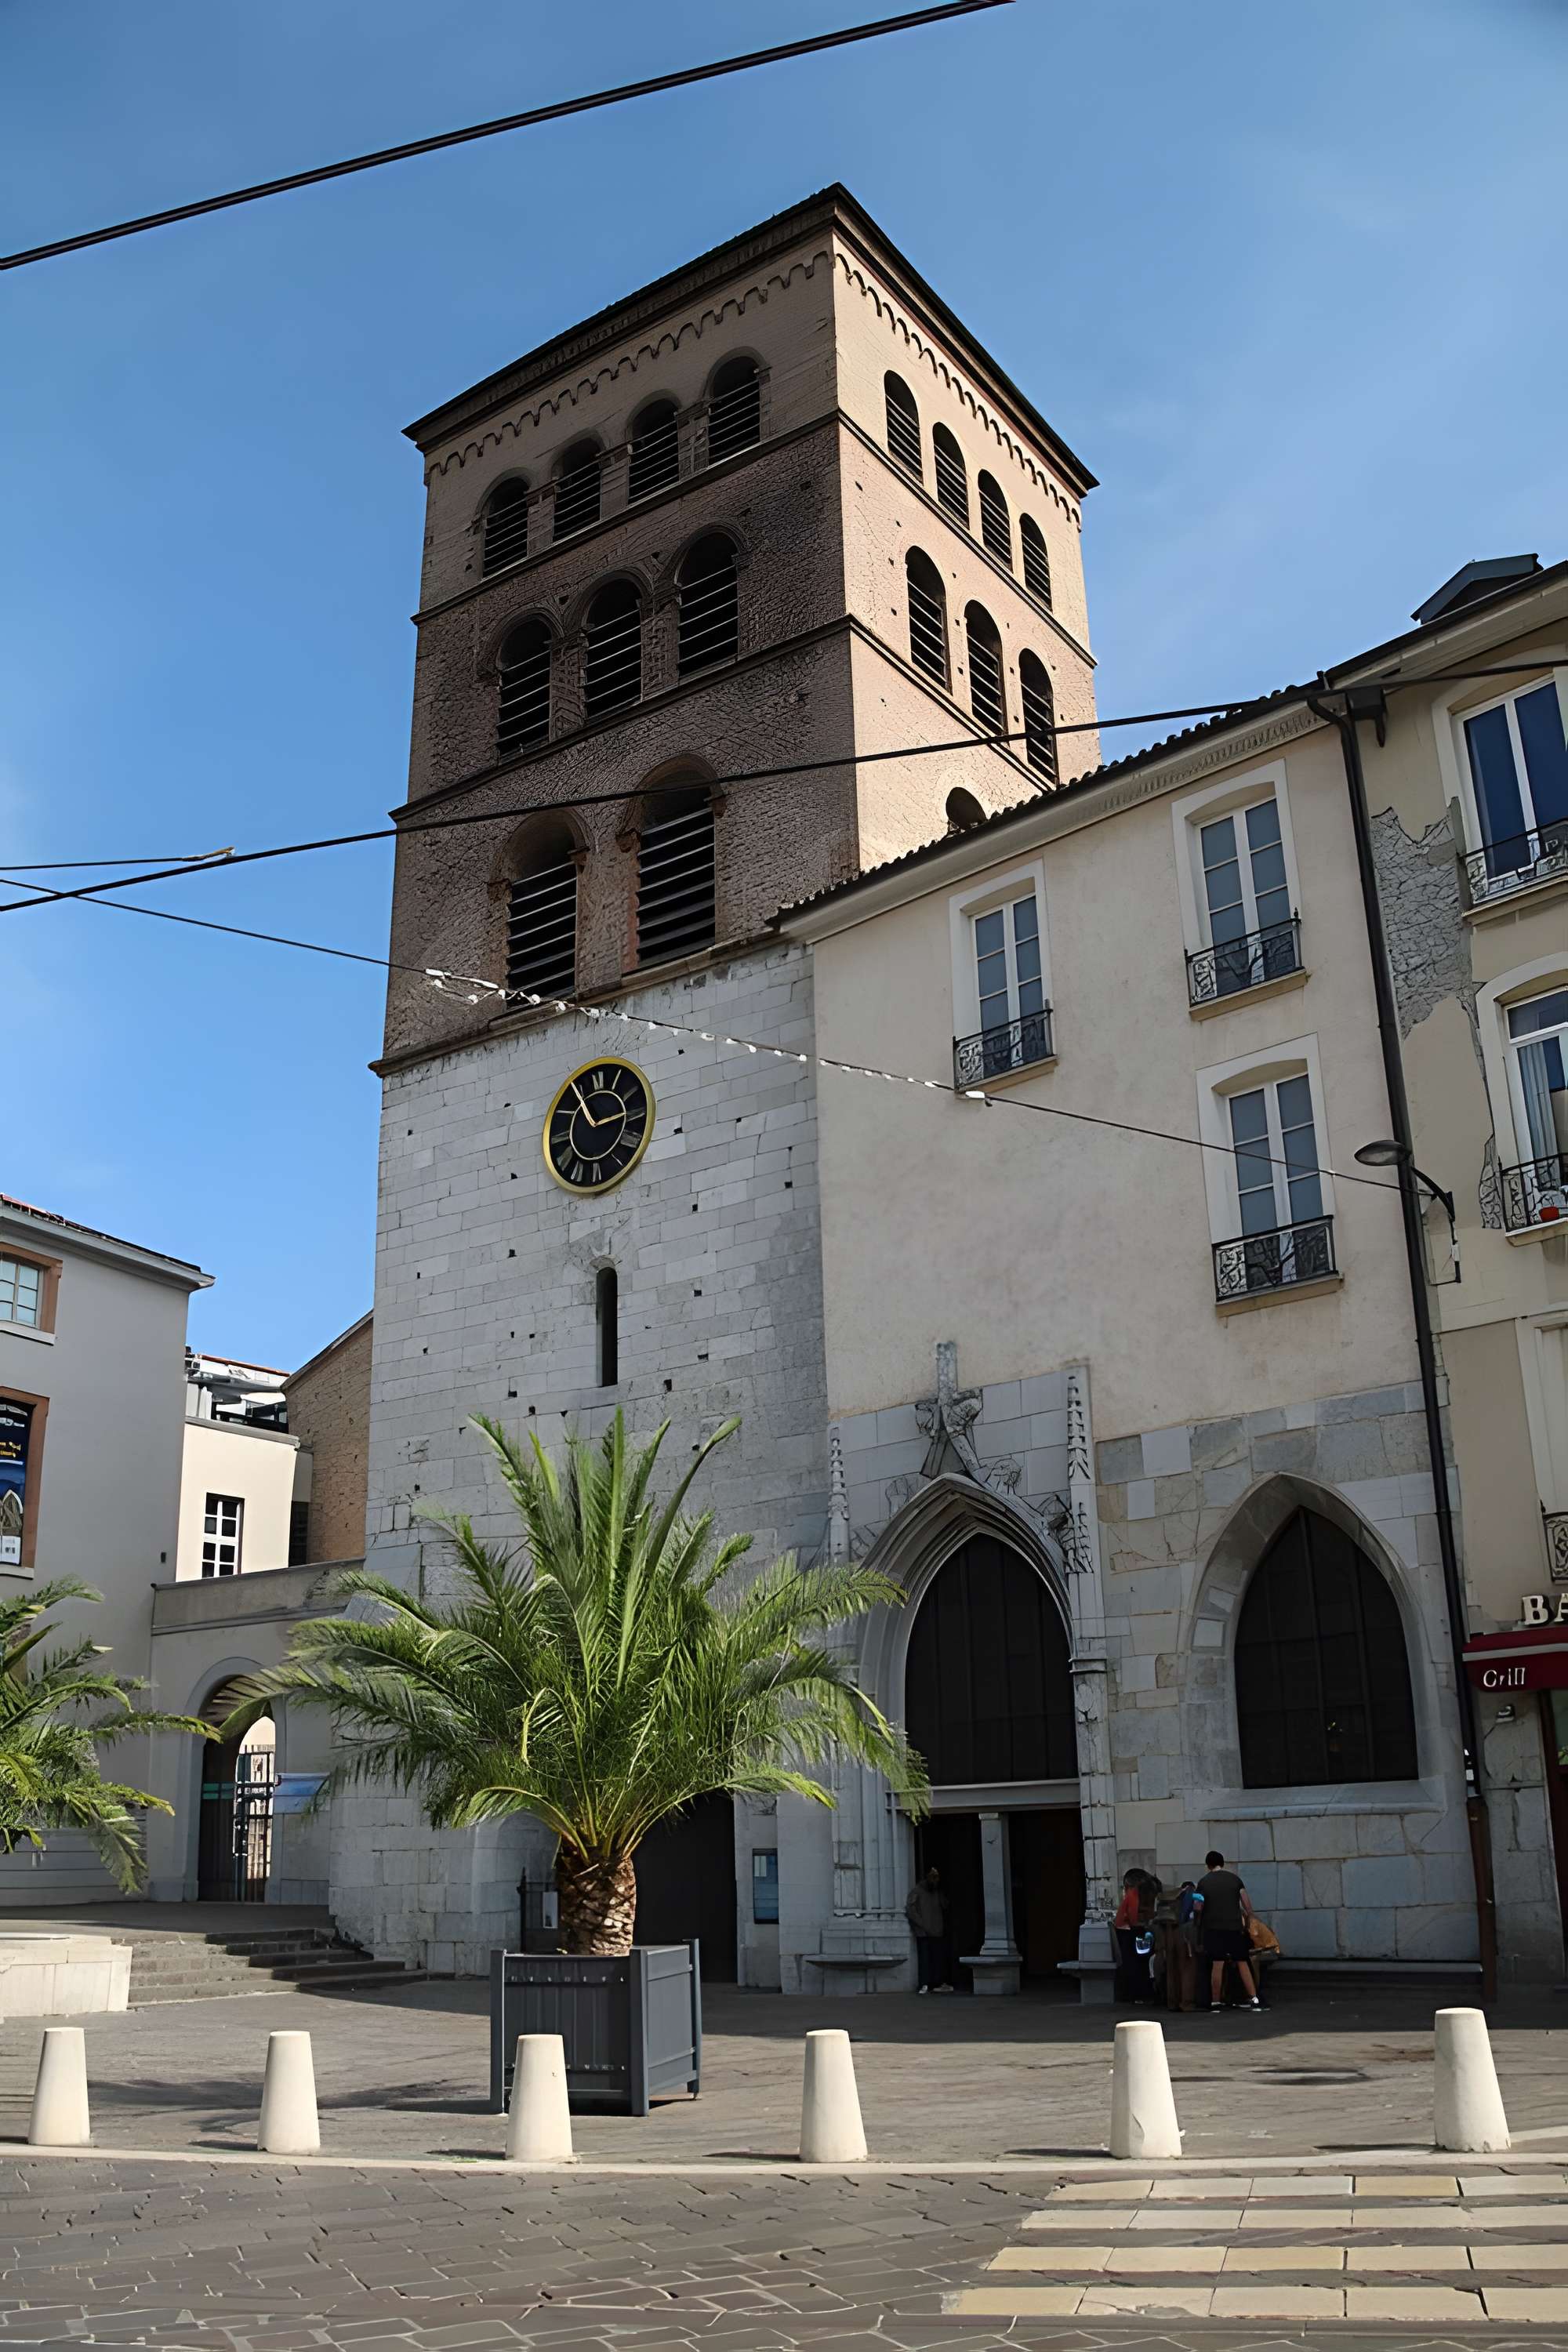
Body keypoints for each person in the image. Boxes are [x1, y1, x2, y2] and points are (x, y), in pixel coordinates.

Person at [1196, 1848, 1262, 2013]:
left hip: (1213, 1928)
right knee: (1242, 1962)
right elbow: (1246, 1903)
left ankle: (1216, 2002)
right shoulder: (1235, 1880)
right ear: (1222, 1863)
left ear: (1208, 1865)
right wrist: (1251, 1918)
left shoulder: (1203, 1882)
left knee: (1217, 1964)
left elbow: (1198, 1907)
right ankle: (1254, 1998)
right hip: (1234, 1928)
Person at [1112, 1867, 1157, 2003]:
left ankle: (1134, 1993)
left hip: (1127, 1931)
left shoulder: (1131, 1896)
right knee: (1138, 1962)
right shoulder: (1134, 1896)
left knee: (1133, 1962)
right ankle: (1139, 1994)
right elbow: (1133, 1918)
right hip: (1132, 1931)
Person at [906, 1865, 951, 1993]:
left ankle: (937, 1982)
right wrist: (921, 1924)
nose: (934, 1881)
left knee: (937, 1957)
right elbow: (911, 1909)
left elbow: (945, 1905)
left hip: (936, 1929)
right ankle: (924, 1983)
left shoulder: (937, 1892)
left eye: (936, 1878)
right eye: (932, 1878)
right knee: (925, 1958)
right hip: (924, 1931)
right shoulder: (917, 1891)